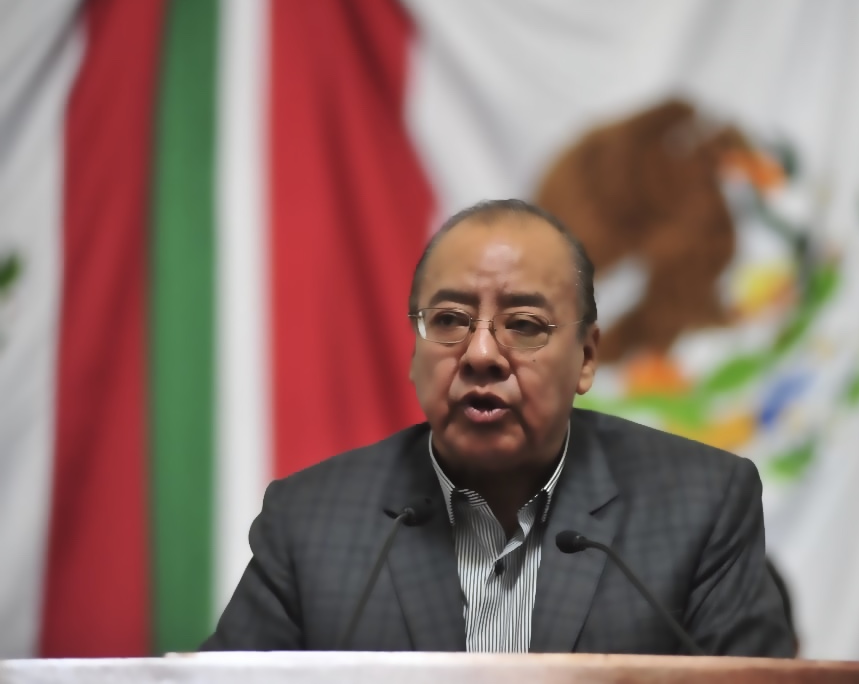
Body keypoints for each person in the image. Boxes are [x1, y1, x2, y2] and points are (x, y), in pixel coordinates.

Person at [202, 199, 794, 656]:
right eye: (450, 320)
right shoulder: (311, 522)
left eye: (525, 325)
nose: (481, 353)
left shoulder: (701, 505)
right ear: (415, 351)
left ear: (587, 358)